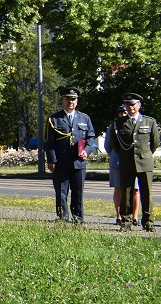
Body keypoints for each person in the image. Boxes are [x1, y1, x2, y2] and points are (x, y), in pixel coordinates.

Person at [42, 86, 98, 224]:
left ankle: (78, 218)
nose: (70, 102)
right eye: (67, 99)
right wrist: (51, 160)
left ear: (77, 102)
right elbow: (49, 143)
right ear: (62, 100)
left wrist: (87, 151)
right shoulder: (54, 119)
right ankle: (63, 217)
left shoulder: (85, 118)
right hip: (61, 162)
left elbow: (91, 138)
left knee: (78, 192)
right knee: (61, 192)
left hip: (79, 162)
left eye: (73, 99)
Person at [111, 93, 160, 232]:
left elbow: (155, 143)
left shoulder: (149, 122)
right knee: (126, 193)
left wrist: (145, 154)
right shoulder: (118, 123)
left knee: (147, 193)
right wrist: (124, 154)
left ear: (139, 105)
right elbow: (115, 144)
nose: (131, 107)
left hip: (145, 163)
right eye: (128, 104)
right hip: (126, 162)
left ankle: (148, 222)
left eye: (133, 104)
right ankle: (125, 221)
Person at [106, 104, 141, 228]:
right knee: (119, 190)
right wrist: (118, 156)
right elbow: (108, 146)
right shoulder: (114, 126)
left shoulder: (134, 124)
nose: (123, 115)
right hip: (117, 163)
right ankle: (119, 216)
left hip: (134, 162)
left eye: (125, 112)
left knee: (135, 190)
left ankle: (135, 217)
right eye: (121, 113)